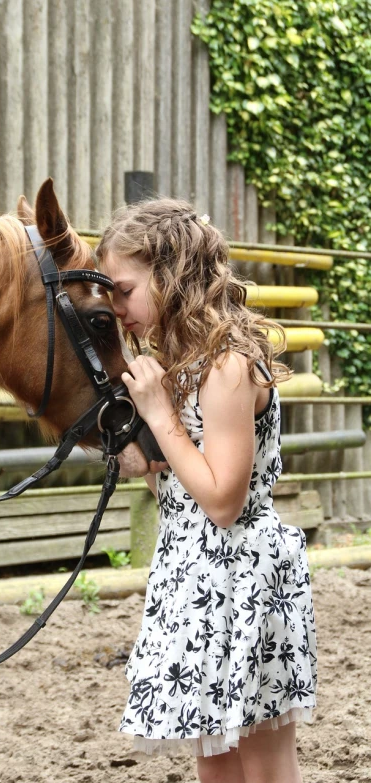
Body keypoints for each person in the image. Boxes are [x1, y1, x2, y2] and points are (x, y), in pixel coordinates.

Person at [96, 199, 317, 783]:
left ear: (170, 275)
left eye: (124, 290)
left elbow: (222, 501)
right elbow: (179, 488)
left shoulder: (228, 366)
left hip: (242, 576)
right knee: (213, 757)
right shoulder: (183, 364)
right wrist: (141, 455)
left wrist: (158, 412)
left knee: (264, 765)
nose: (117, 310)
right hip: (191, 574)